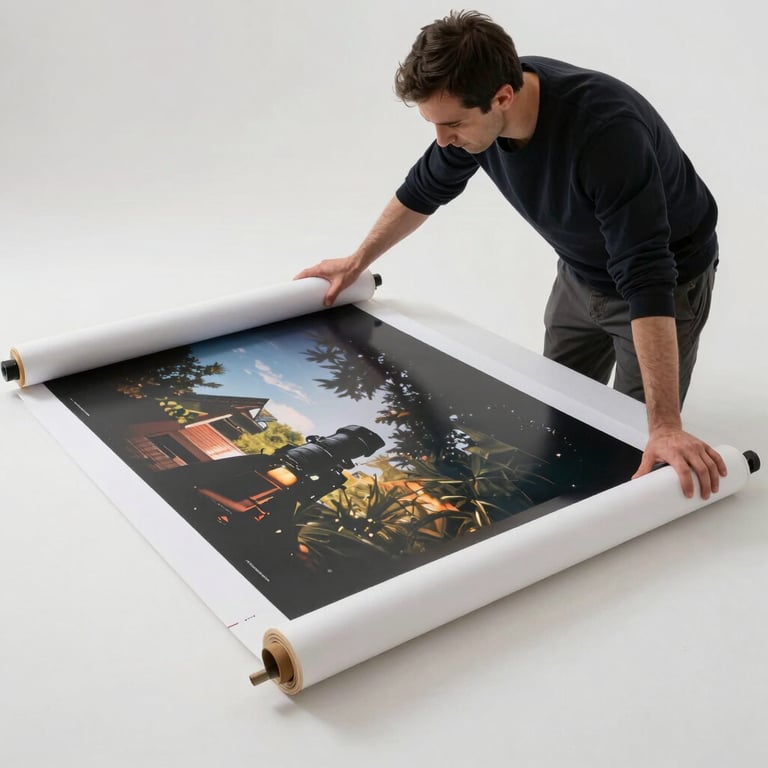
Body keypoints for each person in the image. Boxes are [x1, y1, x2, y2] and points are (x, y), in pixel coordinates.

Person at [295, 9, 727, 499]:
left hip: (665, 284)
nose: (443, 140)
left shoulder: (606, 133)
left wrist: (665, 425)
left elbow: (646, 273)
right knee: (559, 408)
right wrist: (358, 260)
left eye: (452, 124)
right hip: (579, 272)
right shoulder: (478, 109)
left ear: (503, 97)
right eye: (433, 124)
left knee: (632, 445)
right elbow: (425, 188)